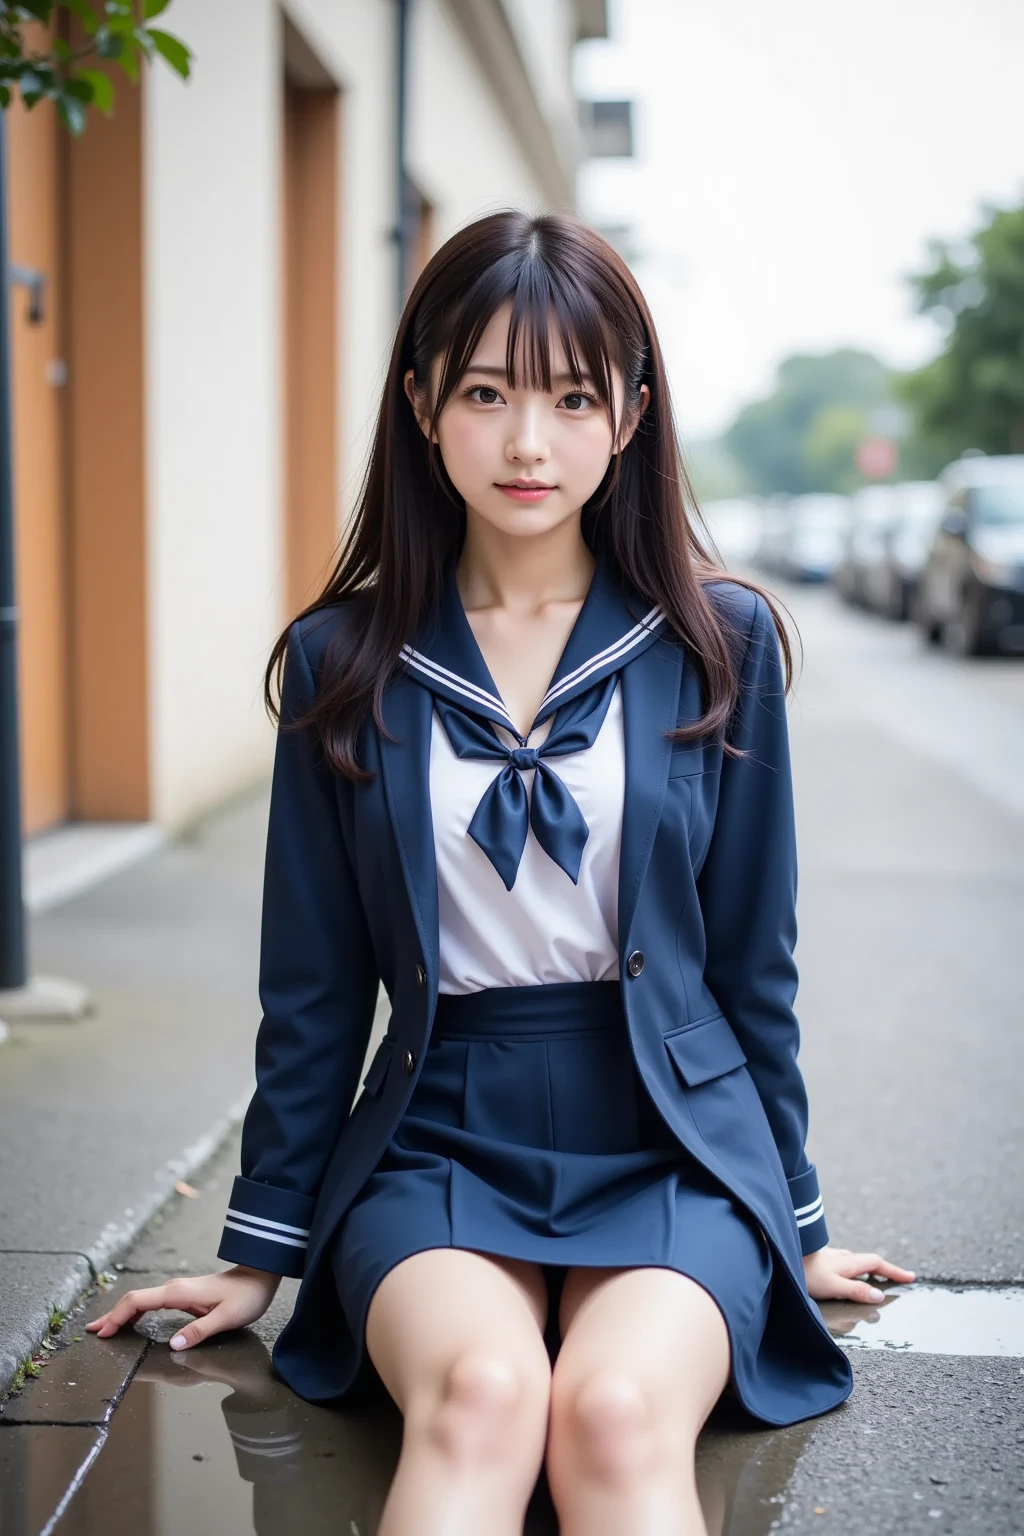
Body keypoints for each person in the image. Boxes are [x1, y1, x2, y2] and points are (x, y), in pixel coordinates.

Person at [88, 210, 914, 1534]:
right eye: (485, 393)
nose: (529, 444)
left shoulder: (717, 642)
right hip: (437, 1126)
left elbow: (755, 962)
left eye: (572, 398)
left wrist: (800, 1224)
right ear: (422, 404)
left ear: (631, 413)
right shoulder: (344, 660)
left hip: (669, 1138)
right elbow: (312, 987)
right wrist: (261, 1247)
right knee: (483, 1394)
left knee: (614, 1412)